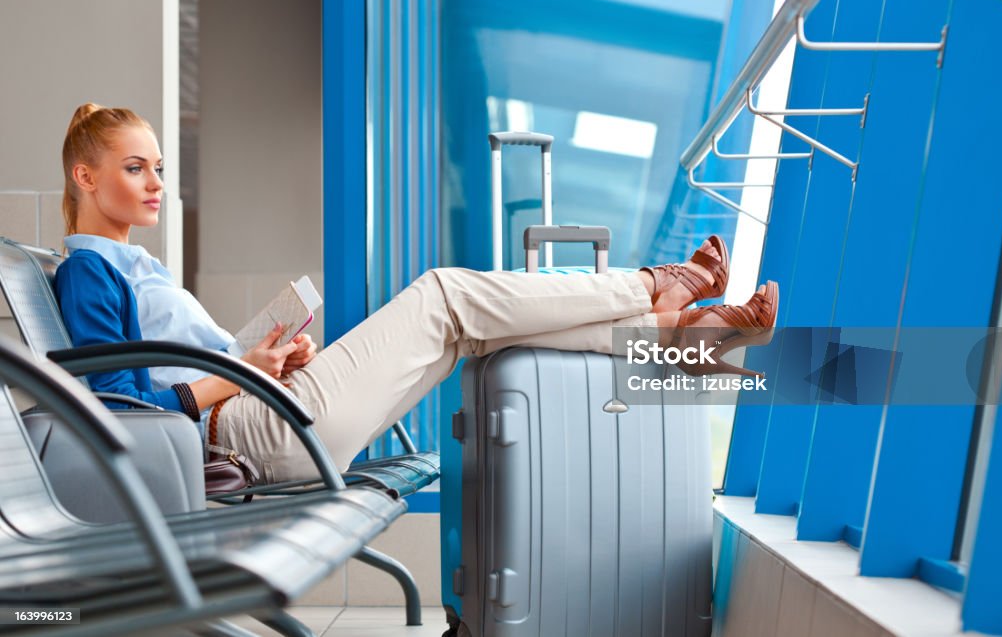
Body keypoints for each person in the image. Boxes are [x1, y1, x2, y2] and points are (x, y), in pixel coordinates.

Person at [55, 104, 779, 482]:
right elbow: (119, 410)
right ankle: (655, 283)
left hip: (260, 412)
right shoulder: (90, 270)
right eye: (135, 168)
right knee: (443, 295)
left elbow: (173, 373)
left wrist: (265, 357)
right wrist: (240, 375)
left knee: (470, 329)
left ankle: (670, 337)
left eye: (157, 166)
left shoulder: (133, 265)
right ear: (86, 178)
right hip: (246, 433)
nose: (156, 183)